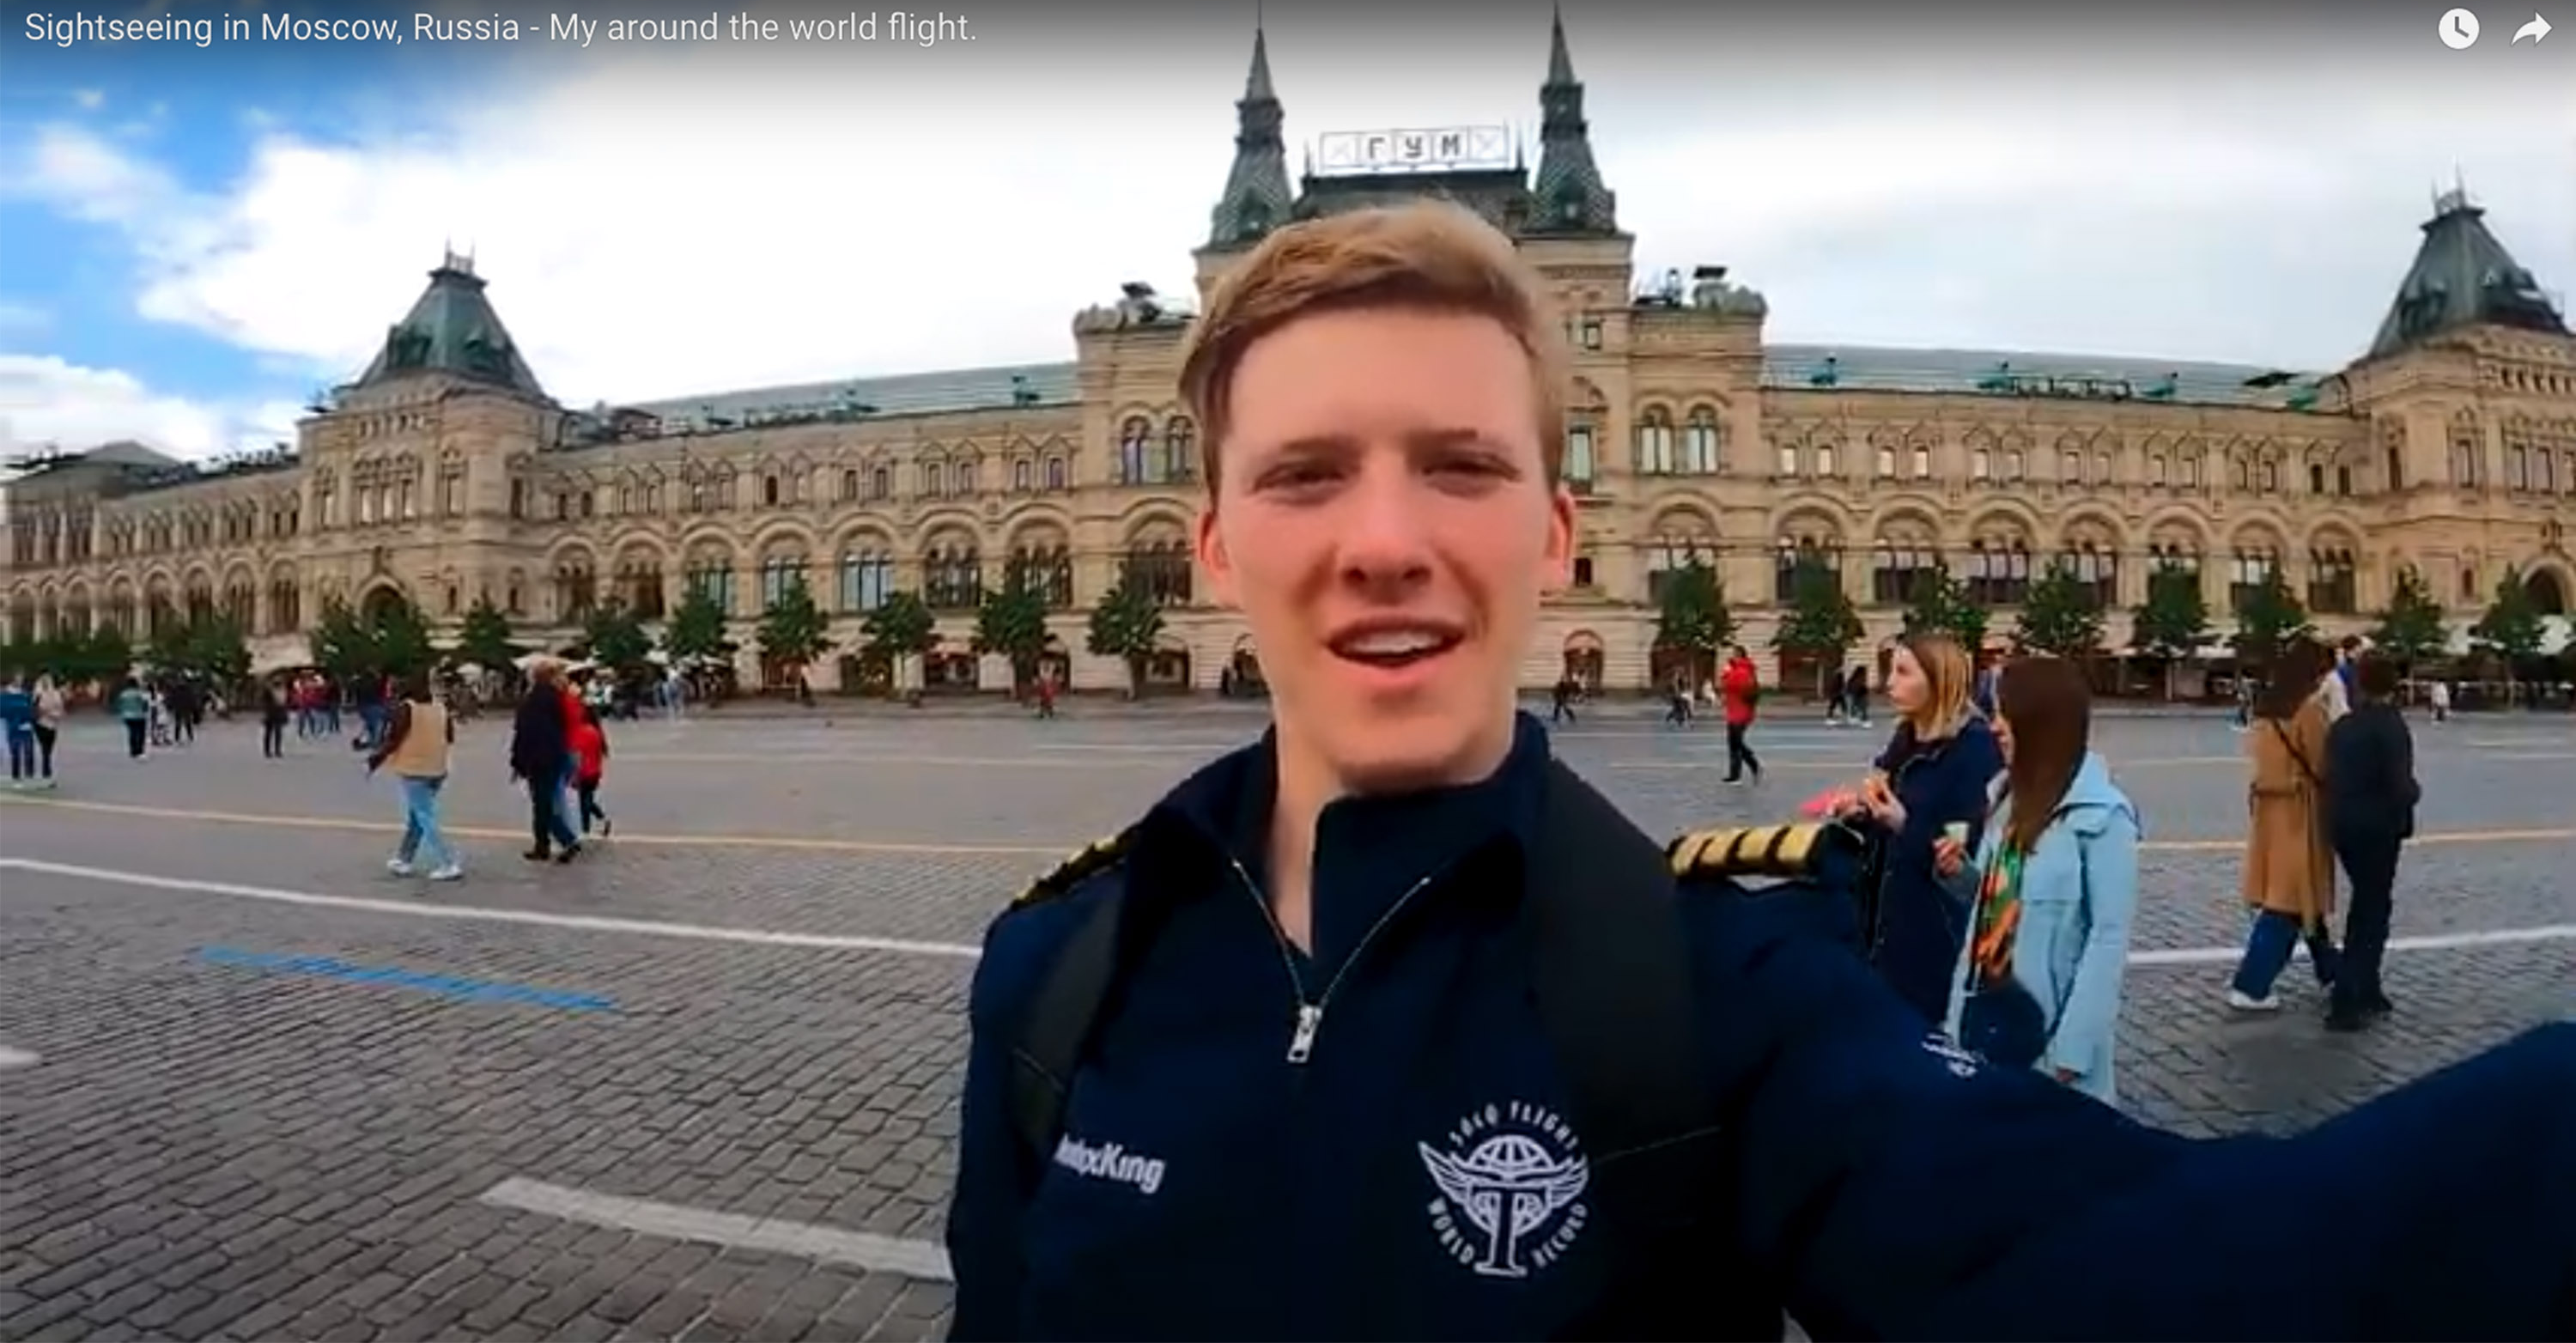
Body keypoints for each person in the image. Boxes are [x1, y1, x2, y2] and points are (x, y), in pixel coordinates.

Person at [945, 203, 2576, 1341]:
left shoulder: (1721, 985)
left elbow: (2164, 1275)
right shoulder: (1056, 975)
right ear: (1211, 543)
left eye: (1463, 466)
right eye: (1307, 474)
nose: (1388, 542)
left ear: (1558, 529)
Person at [1935, 656, 2139, 1104]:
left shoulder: (2104, 817)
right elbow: (2000, 909)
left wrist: (2070, 1055)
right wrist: (1963, 876)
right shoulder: (2007, 799)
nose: (1995, 726)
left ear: (2041, 721)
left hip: (2046, 1040)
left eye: (2005, 713)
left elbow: (2108, 939)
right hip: (1982, 1017)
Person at [1828, 632, 2002, 1025]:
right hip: (1880, 921)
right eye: (1891, 670)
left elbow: (1962, 858)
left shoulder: (1973, 750)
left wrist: (1904, 824)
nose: (1890, 682)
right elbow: (1884, 815)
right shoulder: (1904, 737)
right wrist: (1860, 811)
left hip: (1930, 933)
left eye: (1904, 672)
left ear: (1939, 680)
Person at [2228, 643, 2341, 1011]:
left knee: (2300, 896)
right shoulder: (2308, 710)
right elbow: (2323, 763)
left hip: (2269, 813)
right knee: (2289, 901)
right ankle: (2251, 984)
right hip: (2299, 812)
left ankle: (2332, 972)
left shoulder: (2265, 710)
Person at [2324, 654, 2416, 1032]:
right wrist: (2413, 794)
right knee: (2372, 909)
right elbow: (2400, 784)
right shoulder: (2391, 726)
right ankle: (2349, 993)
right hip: (2378, 827)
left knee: (2366, 903)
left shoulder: (2343, 726)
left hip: (2342, 825)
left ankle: (2367, 986)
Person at [367, 673, 462, 881]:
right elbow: (450, 736)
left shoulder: (407, 708)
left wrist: (377, 758)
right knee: (417, 816)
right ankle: (404, 858)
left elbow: (394, 739)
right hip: (438, 767)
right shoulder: (440, 707)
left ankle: (448, 862)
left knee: (424, 816)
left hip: (414, 767)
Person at [508, 660, 581, 863]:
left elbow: (524, 733)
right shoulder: (557, 698)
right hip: (556, 755)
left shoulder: (532, 701)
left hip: (538, 759)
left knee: (542, 804)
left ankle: (567, 841)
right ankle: (542, 845)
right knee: (543, 803)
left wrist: (517, 762)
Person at [1718, 645, 1762, 784]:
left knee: (1735, 743)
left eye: (1734, 654)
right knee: (1734, 743)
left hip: (1740, 712)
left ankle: (1751, 765)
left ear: (1740, 656)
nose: (1731, 657)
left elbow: (1732, 686)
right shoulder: (1742, 669)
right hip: (1737, 711)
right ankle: (1737, 773)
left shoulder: (1742, 670)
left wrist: (1726, 675)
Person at [568, 702, 612, 838]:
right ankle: (603, 820)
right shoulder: (596, 731)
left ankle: (585, 830)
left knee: (584, 803)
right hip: (595, 772)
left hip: (584, 772)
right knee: (587, 800)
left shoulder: (581, 731)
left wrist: (573, 775)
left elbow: (577, 755)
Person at [0, 675, 35, 788]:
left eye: (21, 679)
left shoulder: (25, 694)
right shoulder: (6, 696)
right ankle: (16, 777)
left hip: (26, 728)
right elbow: (4, 711)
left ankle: (29, 775)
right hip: (14, 729)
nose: (20, 681)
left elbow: (31, 710)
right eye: (17, 679)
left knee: (29, 752)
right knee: (16, 753)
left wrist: (29, 718)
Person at [29, 672, 63, 787]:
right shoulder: (38, 694)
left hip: (52, 724)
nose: (46, 682)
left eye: (48, 680)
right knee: (46, 751)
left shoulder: (56, 694)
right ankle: (46, 775)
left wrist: (51, 713)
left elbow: (60, 709)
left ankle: (46, 774)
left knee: (48, 751)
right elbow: (35, 709)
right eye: (44, 680)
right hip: (41, 724)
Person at [112, 677, 149, 760]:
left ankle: (133, 751)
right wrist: (145, 710)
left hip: (127, 716)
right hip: (139, 715)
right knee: (140, 733)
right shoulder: (139, 693)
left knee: (132, 733)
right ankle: (140, 751)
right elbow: (144, 704)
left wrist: (121, 712)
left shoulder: (123, 694)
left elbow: (119, 705)